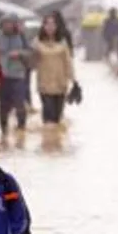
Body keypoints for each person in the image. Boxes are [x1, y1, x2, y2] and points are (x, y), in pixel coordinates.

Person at [34, 13, 75, 144]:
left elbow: (68, 62)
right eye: (47, 24)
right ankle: (47, 145)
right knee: (48, 118)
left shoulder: (63, 43)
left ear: (57, 26)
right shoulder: (37, 43)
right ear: (43, 26)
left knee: (57, 119)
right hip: (44, 85)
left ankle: (56, 145)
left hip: (60, 84)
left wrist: (74, 80)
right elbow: (32, 63)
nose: (50, 27)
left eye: (53, 24)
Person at [0, 15, 32, 143]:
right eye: (5, 23)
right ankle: (4, 132)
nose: (8, 26)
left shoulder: (21, 36)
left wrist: (20, 53)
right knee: (3, 106)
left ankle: (21, 130)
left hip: (18, 76)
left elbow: (30, 52)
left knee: (19, 104)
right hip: (2, 76)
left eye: (10, 23)